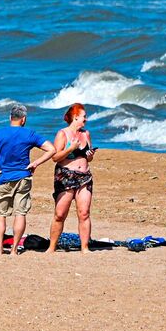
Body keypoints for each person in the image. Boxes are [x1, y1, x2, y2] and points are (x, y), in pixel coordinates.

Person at [0, 103, 54, 256]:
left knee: (0, 214)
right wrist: (35, 163)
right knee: (20, 213)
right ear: (23, 119)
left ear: (10, 118)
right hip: (23, 177)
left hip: (3, 177)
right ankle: (13, 250)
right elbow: (52, 149)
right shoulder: (29, 134)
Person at [45, 102, 96, 253]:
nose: (85, 120)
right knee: (60, 214)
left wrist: (90, 155)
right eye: (83, 117)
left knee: (84, 213)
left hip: (84, 176)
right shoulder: (63, 134)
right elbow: (55, 157)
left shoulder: (86, 134)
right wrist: (71, 148)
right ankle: (52, 247)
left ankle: (85, 247)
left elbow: (89, 158)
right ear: (75, 117)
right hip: (66, 175)